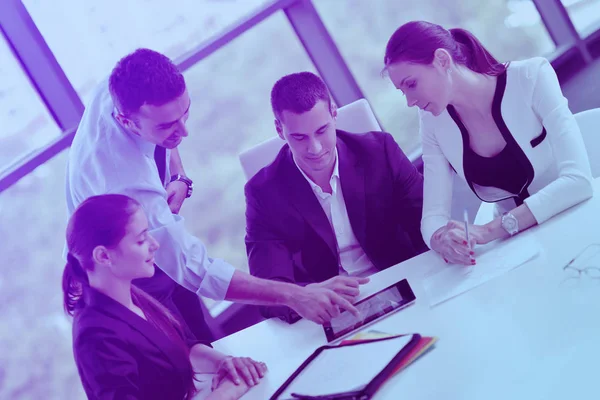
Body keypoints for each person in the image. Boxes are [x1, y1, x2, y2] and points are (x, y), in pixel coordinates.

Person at [65, 48, 360, 333]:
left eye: (185, 114)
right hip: (123, 268)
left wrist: (179, 175)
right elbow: (197, 269)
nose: (184, 132)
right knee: (186, 353)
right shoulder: (125, 179)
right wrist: (296, 295)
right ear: (126, 121)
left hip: (148, 237)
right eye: (168, 126)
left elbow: (163, 133)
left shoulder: (123, 82)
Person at [382, 21, 593, 265]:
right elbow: (432, 217)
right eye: (402, 91)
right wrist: (441, 238)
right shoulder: (432, 122)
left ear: (442, 60)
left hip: (573, 216)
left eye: (411, 84)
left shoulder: (531, 76)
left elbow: (578, 181)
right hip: (518, 249)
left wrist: (489, 231)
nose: (409, 101)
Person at [245, 72, 427, 323]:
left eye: (322, 131)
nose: (315, 148)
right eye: (299, 137)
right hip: (329, 313)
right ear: (280, 129)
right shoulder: (263, 193)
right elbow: (269, 289)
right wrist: (303, 295)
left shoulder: (380, 151)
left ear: (333, 113)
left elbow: (427, 220)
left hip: (404, 282)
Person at [63, 194, 267, 399]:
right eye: (141, 240)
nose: (154, 244)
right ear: (104, 256)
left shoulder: (134, 296)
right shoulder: (95, 338)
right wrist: (226, 393)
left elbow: (181, 348)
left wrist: (223, 363)